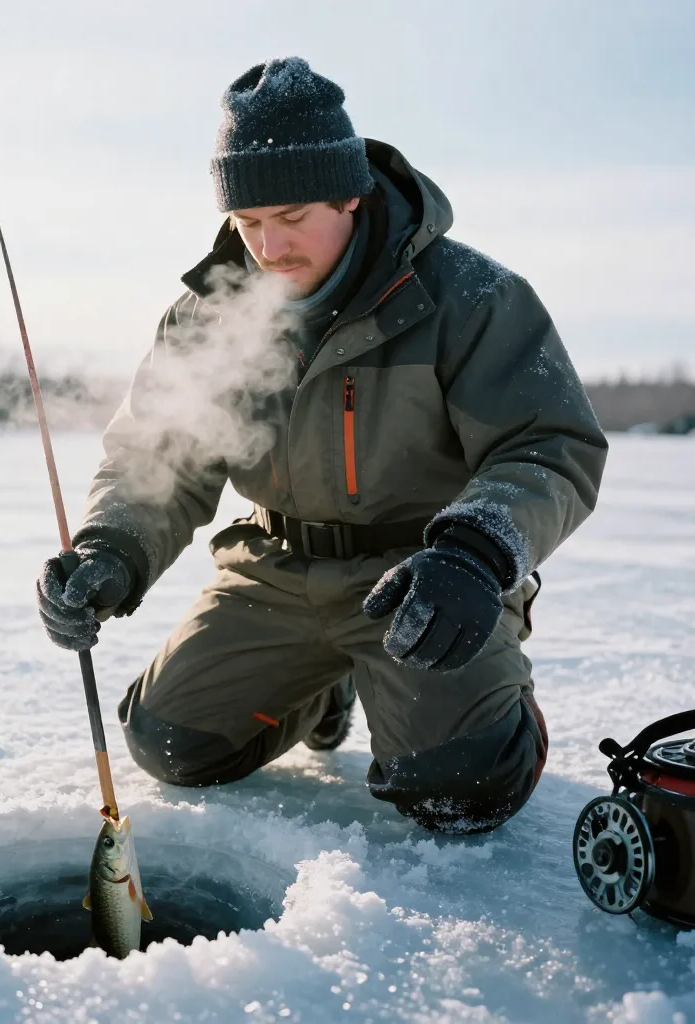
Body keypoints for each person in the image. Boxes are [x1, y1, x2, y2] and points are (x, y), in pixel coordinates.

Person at [36, 57, 607, 833]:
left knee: (460, 789)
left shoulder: (469, 297)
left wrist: (476, 554)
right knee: (170, 745)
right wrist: (108, 550)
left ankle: (489, 715)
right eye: (248, 223)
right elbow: (159, 456)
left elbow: (549, 444)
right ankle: (322, 690)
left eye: (292, 215)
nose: (268, 247)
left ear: (351, 191)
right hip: (274, 574)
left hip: (422, 581)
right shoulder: (208, 315)